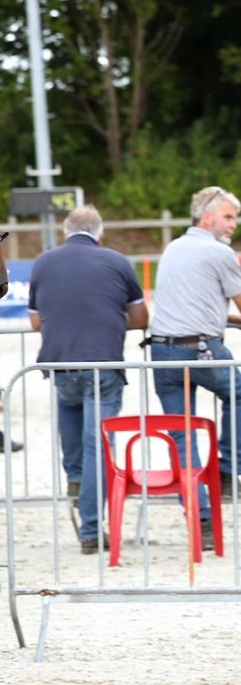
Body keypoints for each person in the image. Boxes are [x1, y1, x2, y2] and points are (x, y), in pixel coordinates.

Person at [28, 205, 149, 554]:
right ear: (100, 233)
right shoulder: (117, 261)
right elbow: (140, 317)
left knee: (75, 440)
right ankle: (92, 529)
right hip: (102, 364)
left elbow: (36, 321)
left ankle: (78, 485)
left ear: (65, 231)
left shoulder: (43, 262)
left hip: (60, 364)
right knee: (99, 446)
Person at [148, 186, 241, 546]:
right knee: (238, 391)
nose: (233, 224)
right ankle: (229, 468)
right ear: (208, 217)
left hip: (162, 352)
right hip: (200, 349)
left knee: (182, 434)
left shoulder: (174, 247)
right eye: (229, 217)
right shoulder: (219, 252)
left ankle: (200, 519)